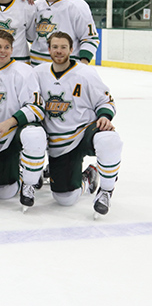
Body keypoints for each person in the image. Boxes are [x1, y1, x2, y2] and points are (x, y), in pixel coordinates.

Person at [34, 32, 122, 217]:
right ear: (49, 49)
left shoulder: (85, 73)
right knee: (64, 199)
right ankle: (88, 178)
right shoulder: (39, 73)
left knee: (108, 138)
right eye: (55, 47)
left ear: (71, 49)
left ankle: (106, 191)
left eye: (63, 47)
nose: (59, 51)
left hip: (83, 133)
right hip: (58, 143)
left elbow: (106, 102)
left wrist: (105, 116)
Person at [0, 30, 46, 210]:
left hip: (14, 133)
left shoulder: (24, 72)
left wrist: (9, 123)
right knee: (3, 192)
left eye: (7, 47)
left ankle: (28, 172)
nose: (3, 51)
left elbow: (36, 108)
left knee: (34, 134)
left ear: (12, 49)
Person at [29, 0, 99, 66]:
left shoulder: (76, 5)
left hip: (66, 69)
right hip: (36, 67)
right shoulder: (36, 6)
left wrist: (83, 64)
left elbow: (90, 38)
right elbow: (31, 37)